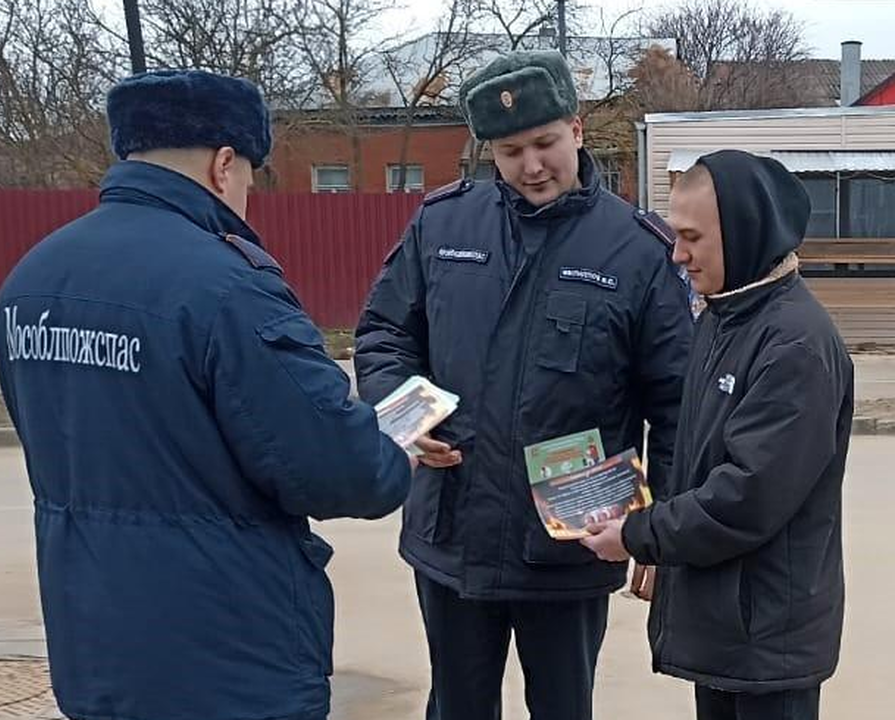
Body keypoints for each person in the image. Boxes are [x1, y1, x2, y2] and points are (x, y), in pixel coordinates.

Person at [0, 69, 413, 720]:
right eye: (250, 175)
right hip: (227, 663)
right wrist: (397, 449)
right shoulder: (225, 288)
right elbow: (342, 473)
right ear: (223, 164)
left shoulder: (30, 279)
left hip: (94, 647)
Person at [354, 50, 693, 720]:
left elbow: (678, 404)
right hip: (452, 534)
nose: (532, 166)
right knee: (456, 705)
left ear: (578, 128)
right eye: (510, 151)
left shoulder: (634, 249)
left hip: (570, 541)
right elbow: (383, 337)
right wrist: (408, 420)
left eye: (544, 143)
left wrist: (663, 531)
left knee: (564, 707)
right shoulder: (443, 225)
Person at [581, 150, 854, 720]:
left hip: (767, 637)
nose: (677, 255)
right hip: (727, 624)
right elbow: (692, 453)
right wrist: (647, 527)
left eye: (691, 238)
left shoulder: (794, 346)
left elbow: (744, 498)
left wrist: (640, 534)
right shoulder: (722, 316)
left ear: (744, 232)